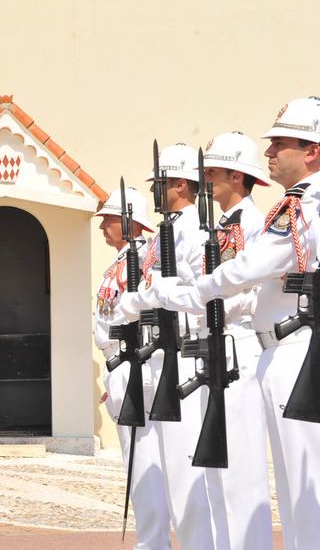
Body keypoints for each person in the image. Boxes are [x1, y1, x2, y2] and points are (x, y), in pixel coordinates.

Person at [155, 98, 320, 550]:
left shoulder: (305, 205)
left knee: (303, 487)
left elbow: (247, 271)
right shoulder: (294, 206)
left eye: (280, 143)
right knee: (283, 485)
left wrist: (189, 293)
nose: (271, 154)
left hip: (289, 346)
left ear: (312, 150)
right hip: (273, 347)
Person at [155, 132, 273, 549]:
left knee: (240, 474)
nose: (205, 180)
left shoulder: (253, 224)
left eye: (215, 173)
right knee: (215, 475)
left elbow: (248, 293)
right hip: (212, 344)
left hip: (235, 344)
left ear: (237, 177)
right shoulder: (219, 225)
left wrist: (190, 296)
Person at [112, 142, 214, 549]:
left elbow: (196, 289)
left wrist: (151, 295)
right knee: (169, 470)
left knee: (188, 473)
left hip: (184, 351)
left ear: (180, 185)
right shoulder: (165, 232)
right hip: (160, 353)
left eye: (161, 183)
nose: (156, 190)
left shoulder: (194, 229)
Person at [92, 188, 171, 549]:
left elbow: (145, 314)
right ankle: (150, 539)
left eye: (109, 219)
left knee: (144, 461)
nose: (102, 226)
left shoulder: (142, 259)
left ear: (129, 222)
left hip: (133, 361)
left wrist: (128, 367)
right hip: (120, 364)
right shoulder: (123, 260)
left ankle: (152, 542)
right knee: (136, 461)